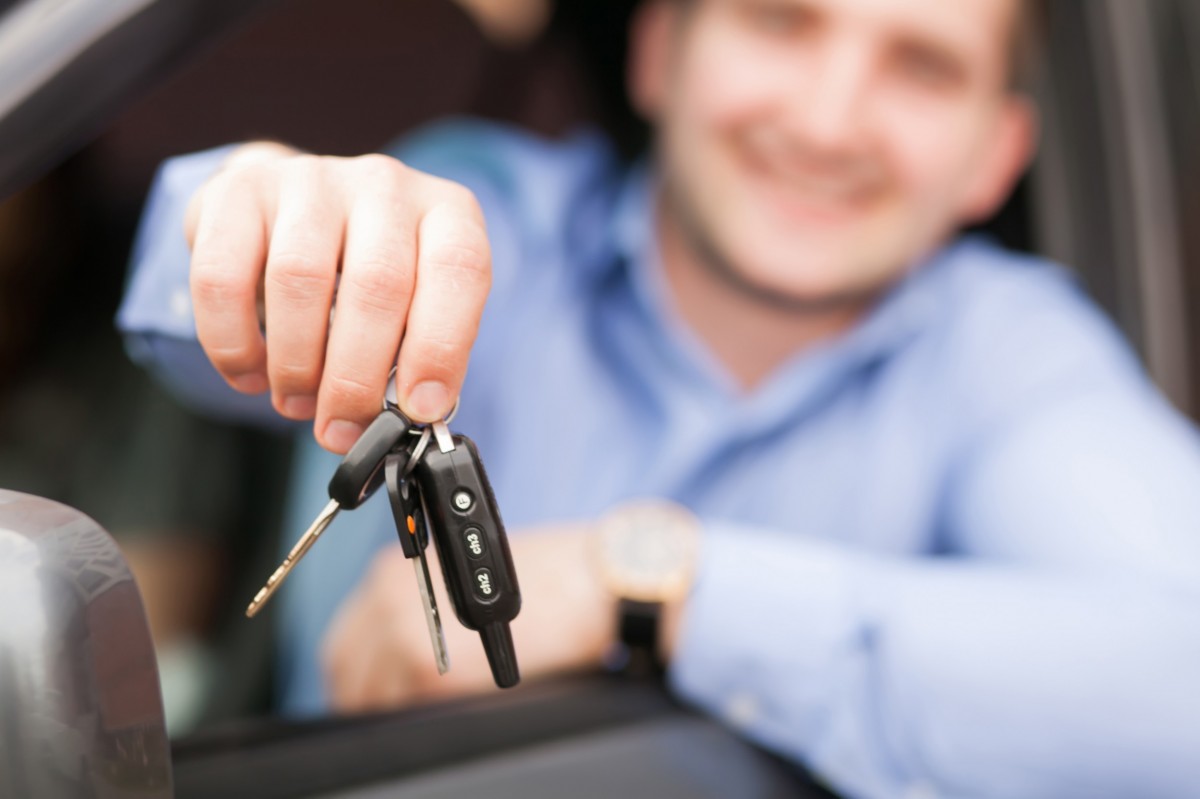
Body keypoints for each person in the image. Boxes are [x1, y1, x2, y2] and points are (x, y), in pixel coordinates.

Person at [118, 0, 1200, 795]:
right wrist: (254, 218)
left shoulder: (1010, 351)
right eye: (779, 22)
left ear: (996, 155)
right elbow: (216, 302)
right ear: (659, 53)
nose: (829, 122)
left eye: (922, 66)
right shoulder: (487, 226)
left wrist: (649, 580)